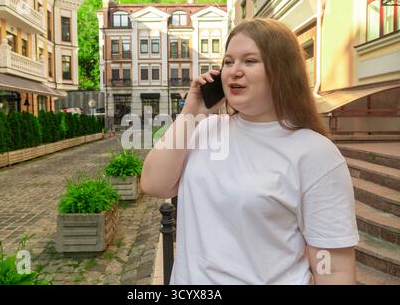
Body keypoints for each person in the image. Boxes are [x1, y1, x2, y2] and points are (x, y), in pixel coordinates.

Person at [140, 18, 359, 285]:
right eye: (229, 61)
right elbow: (153, 184)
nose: (234, 71)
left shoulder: (315, 153)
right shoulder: (204, 129)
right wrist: (191, 111)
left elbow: (333, 267)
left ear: (282, 71)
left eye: (250, 61)